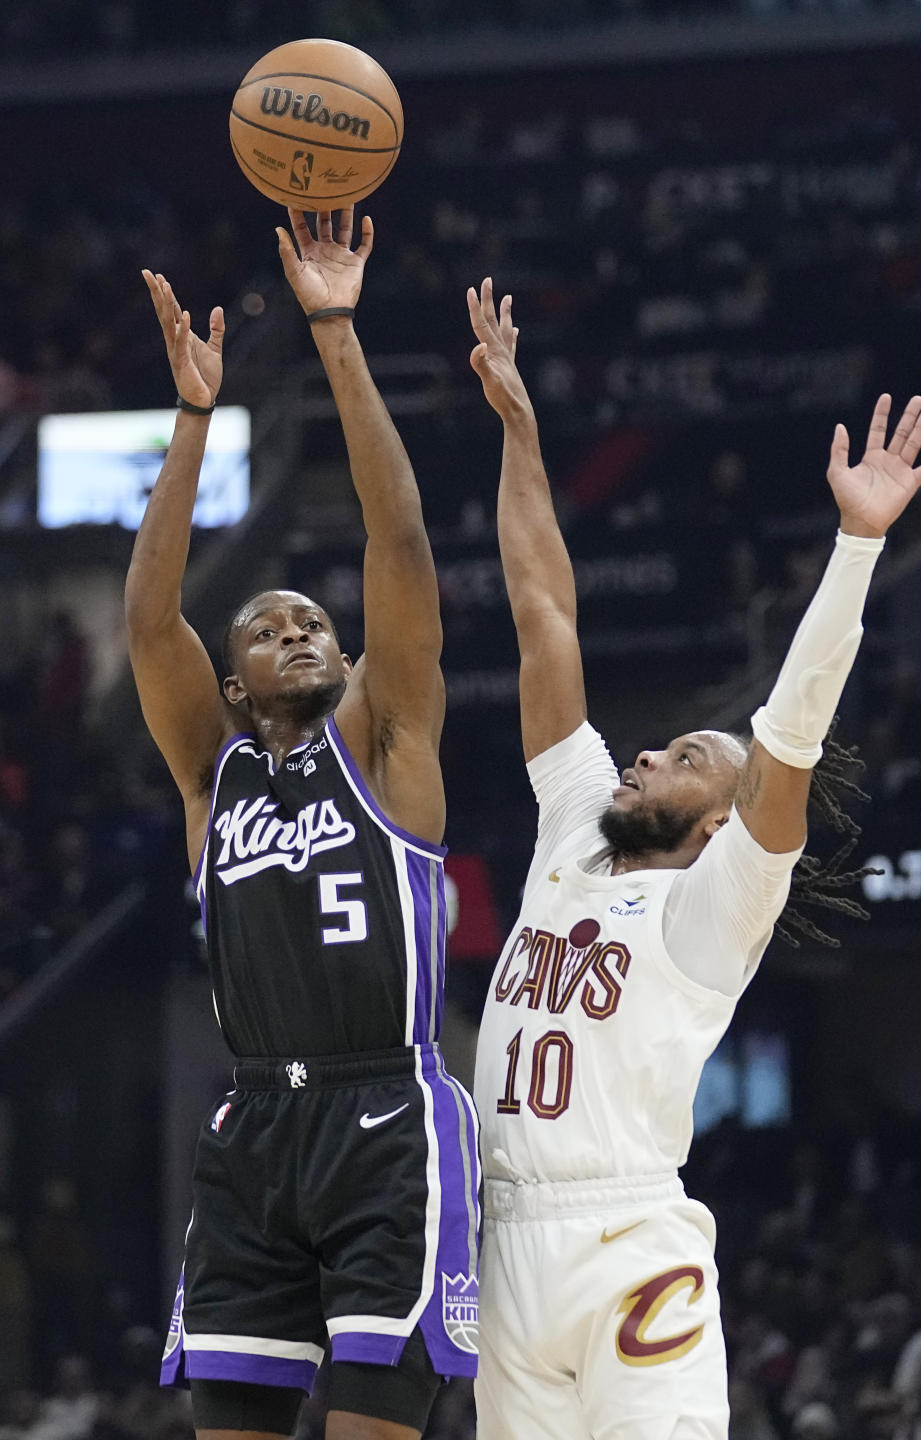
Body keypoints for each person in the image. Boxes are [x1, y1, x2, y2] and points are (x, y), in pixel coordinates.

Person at [465, 276, 921, 1440]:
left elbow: (786, 737)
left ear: (723, 822)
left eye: (683, 756)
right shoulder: (576, 825)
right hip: (504, 1247)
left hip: (631, 1247)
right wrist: (519, 424)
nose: (643, 753)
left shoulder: (715, 907)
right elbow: (544, 610)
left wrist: (854, 548)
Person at [125, 207, 480, 1440]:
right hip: (253, 1129)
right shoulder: (207, 776)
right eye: (268, 628)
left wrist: (334, 328)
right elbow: (149, 618)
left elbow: (399, 537)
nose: (299, 629)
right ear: (232, 686)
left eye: (314, 622)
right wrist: (191, 420)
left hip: (386, 1114)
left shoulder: (388, 741)